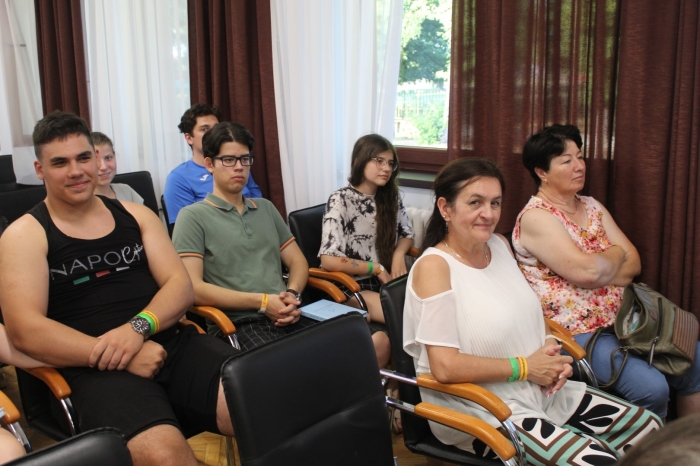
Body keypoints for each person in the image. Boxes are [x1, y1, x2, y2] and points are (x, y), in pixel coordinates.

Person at [0, 111, 239, 466]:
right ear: (40, 170)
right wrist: (121, 353)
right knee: (167, 458)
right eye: (60, 162)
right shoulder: (24, 235)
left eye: (84, 157)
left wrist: (136, 330)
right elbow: (26, 330)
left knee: (262, 404)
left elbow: (179, 285)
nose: (76, 171)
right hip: (91, 372)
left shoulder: (136, 215)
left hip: (172, 344)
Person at [404, 157, 661, 464]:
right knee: (596, 460)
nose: (488, 214)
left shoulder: (498, 245)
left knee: (650, 429)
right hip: (483, 408)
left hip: (537, 390)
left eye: (495, 203)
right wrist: (527, 368)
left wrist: (551, 354)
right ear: (446, 208)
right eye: (475, 202)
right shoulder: (435, 268)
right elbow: (445, 368)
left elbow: (529, 313)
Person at [513, 124, 700, 419]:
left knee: (695, 360)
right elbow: (587, 274)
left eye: (580, 156)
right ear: (541, 172)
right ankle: (651, 445)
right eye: (566, 160)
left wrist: (599, 268)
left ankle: (688, 443)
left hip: (625, 318)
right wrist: (614, 254)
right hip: (576, 331)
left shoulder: (591, 205)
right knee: (652, 388)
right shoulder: (537, 217)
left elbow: (633, 264)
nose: (579, 166)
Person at [173, 122, 315, 351]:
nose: (239, 167)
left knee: (348, 343)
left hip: (288, 312)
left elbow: (298, 261)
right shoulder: (192, 217)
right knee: (293, 363)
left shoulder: (265, 208)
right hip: (239, 324)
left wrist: (292, 293)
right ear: (209, 164)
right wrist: (263, 302)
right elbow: (193, 289)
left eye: (245, 159)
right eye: (229, 160)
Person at [319, 134, 413, 321]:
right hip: (350, 284)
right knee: (405, 319)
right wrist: (377, 268)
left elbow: (407, 233)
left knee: (424, 312)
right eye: (379, 161)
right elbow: (328, 260)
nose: (387, 168)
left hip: (385, 281)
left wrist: (398, 254)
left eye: (390, 163)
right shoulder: (340, 199)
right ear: (359, 161)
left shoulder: (391, 197)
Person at [163, 104, 261, 225]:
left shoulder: (239, 165)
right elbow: (184, 228)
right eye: (204, 129)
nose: (212, 134)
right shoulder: (179, 178)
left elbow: (258, 207)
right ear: (189, 138)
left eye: (216, 128)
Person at [91, 132, 144, 204]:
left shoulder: (126, 191)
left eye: (108, 158)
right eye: (95, 160)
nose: (103, 167)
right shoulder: (81, 203)